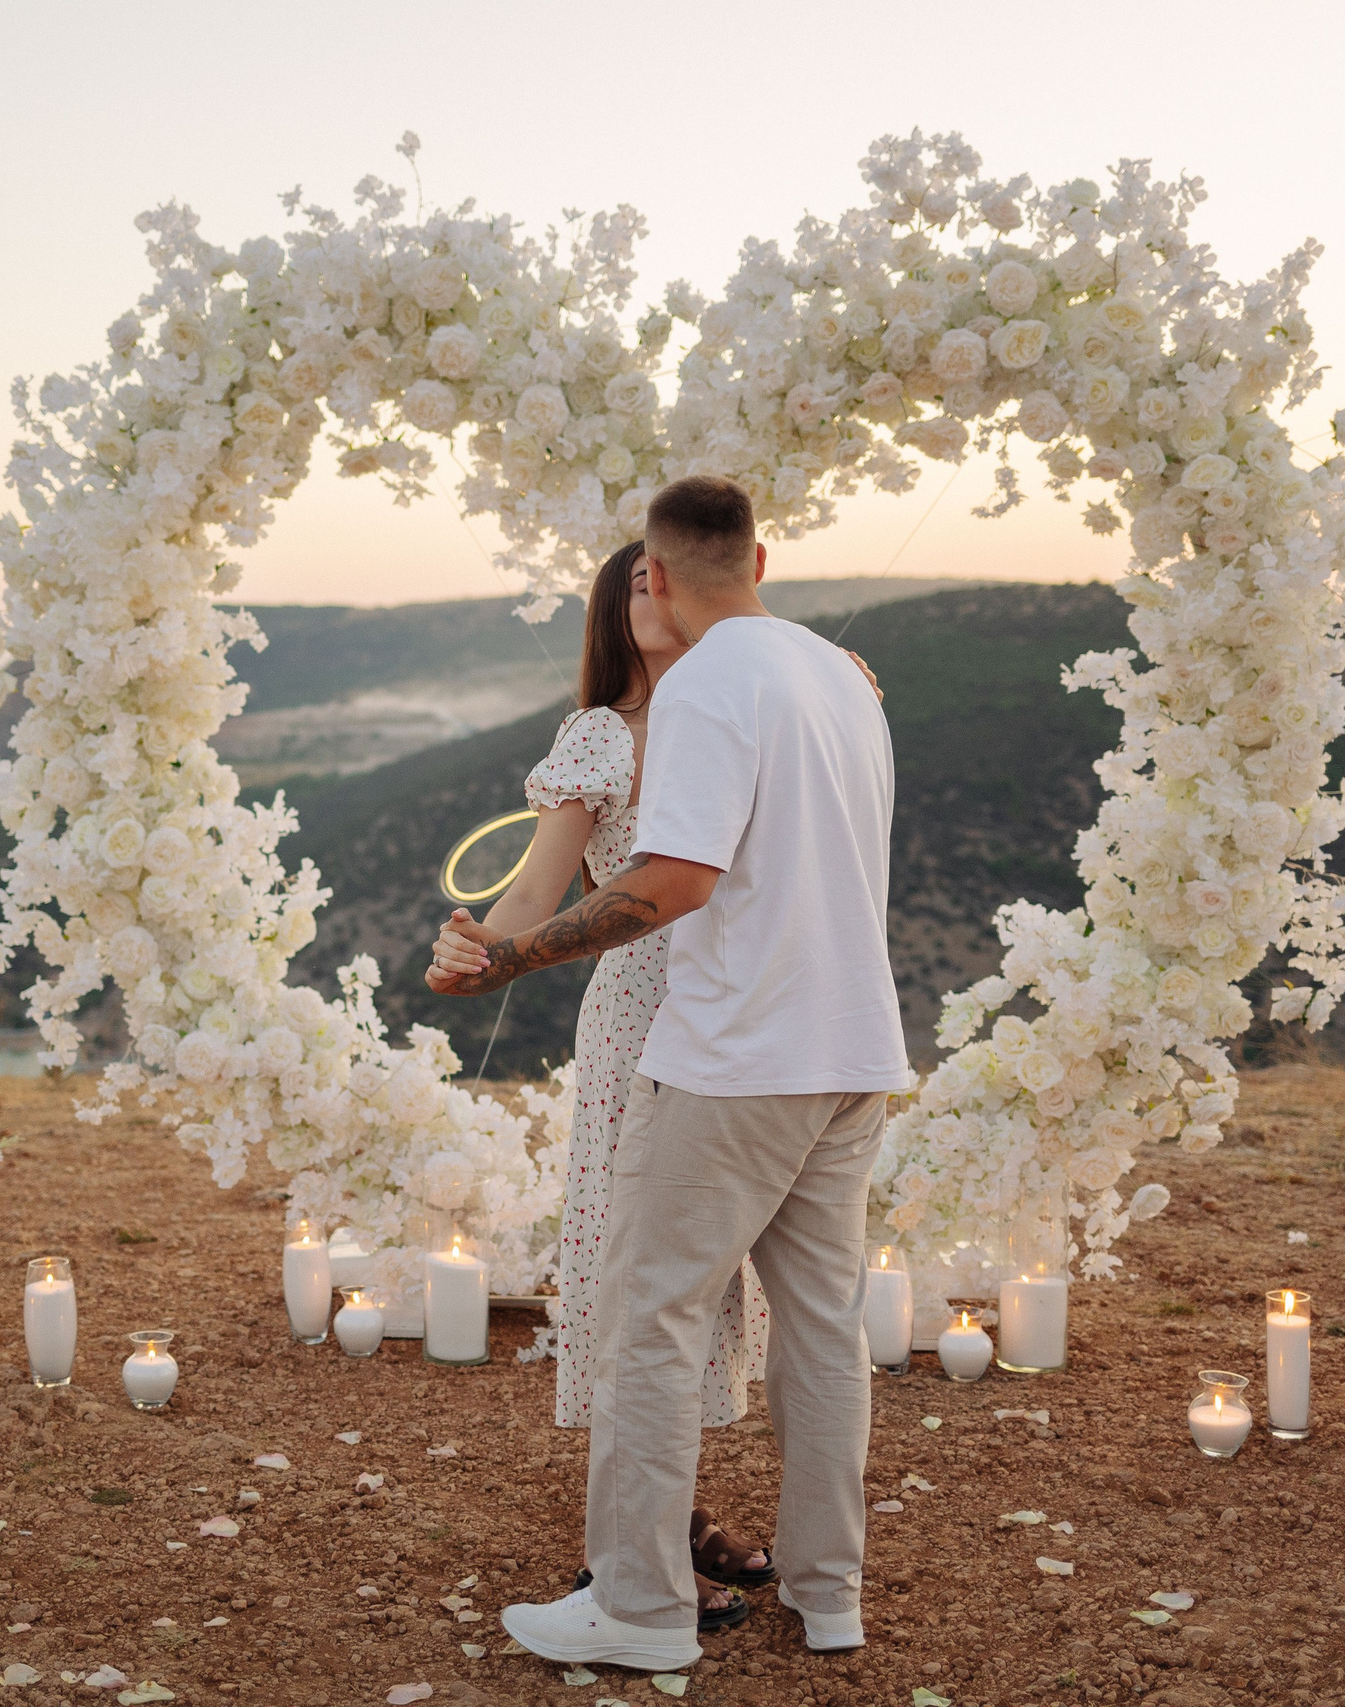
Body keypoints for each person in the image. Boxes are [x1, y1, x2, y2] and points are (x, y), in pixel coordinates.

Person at [429, 474, 911, 1673]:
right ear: (763, 556)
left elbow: (672, 882)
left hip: (737, 1056)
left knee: (647, 1321)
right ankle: (828, 1594)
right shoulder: (841, 678)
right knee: (819, 1331)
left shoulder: (704, 684)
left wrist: (509, 961)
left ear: (651, 573)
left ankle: (640, 1609)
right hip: (851, 1047)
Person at [425, 540, 775, 1634]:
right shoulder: (600, 736)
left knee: (705, 1276)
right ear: (613, 610)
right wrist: (480, 949)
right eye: (634, 580)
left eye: (666, 574)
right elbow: (537, 885)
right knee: (637, 1268)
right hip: (641, 1016)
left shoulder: (751, 707)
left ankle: (666, 1524)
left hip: (753, 1014)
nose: (656, 591)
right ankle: (632, 1558)